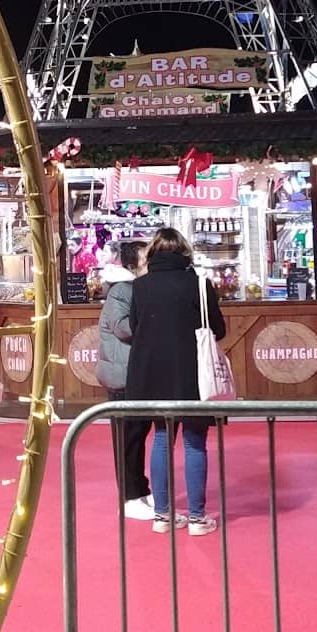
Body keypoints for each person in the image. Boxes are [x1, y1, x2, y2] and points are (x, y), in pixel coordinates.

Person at [127, 228, 226, 536]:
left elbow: (134, 326)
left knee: (160, 439)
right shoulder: (198, 285)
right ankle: (197, 518)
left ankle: (163, 516)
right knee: (194, 442)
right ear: (185, 253)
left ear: (152, 254)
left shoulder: (140, 287)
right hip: (192, 372)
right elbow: (218, 329)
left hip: (152, 373)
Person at [95, 238, 152, 518]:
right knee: (128, 437)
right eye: (146, 260)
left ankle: (140, 489)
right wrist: (154, 318)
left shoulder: (133, 289)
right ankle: (130, 495)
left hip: (132, 371)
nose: (150, 265)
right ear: (132, 265)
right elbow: (122, 328)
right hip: (122, 373)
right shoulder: (122, 291)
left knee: (137, 434)